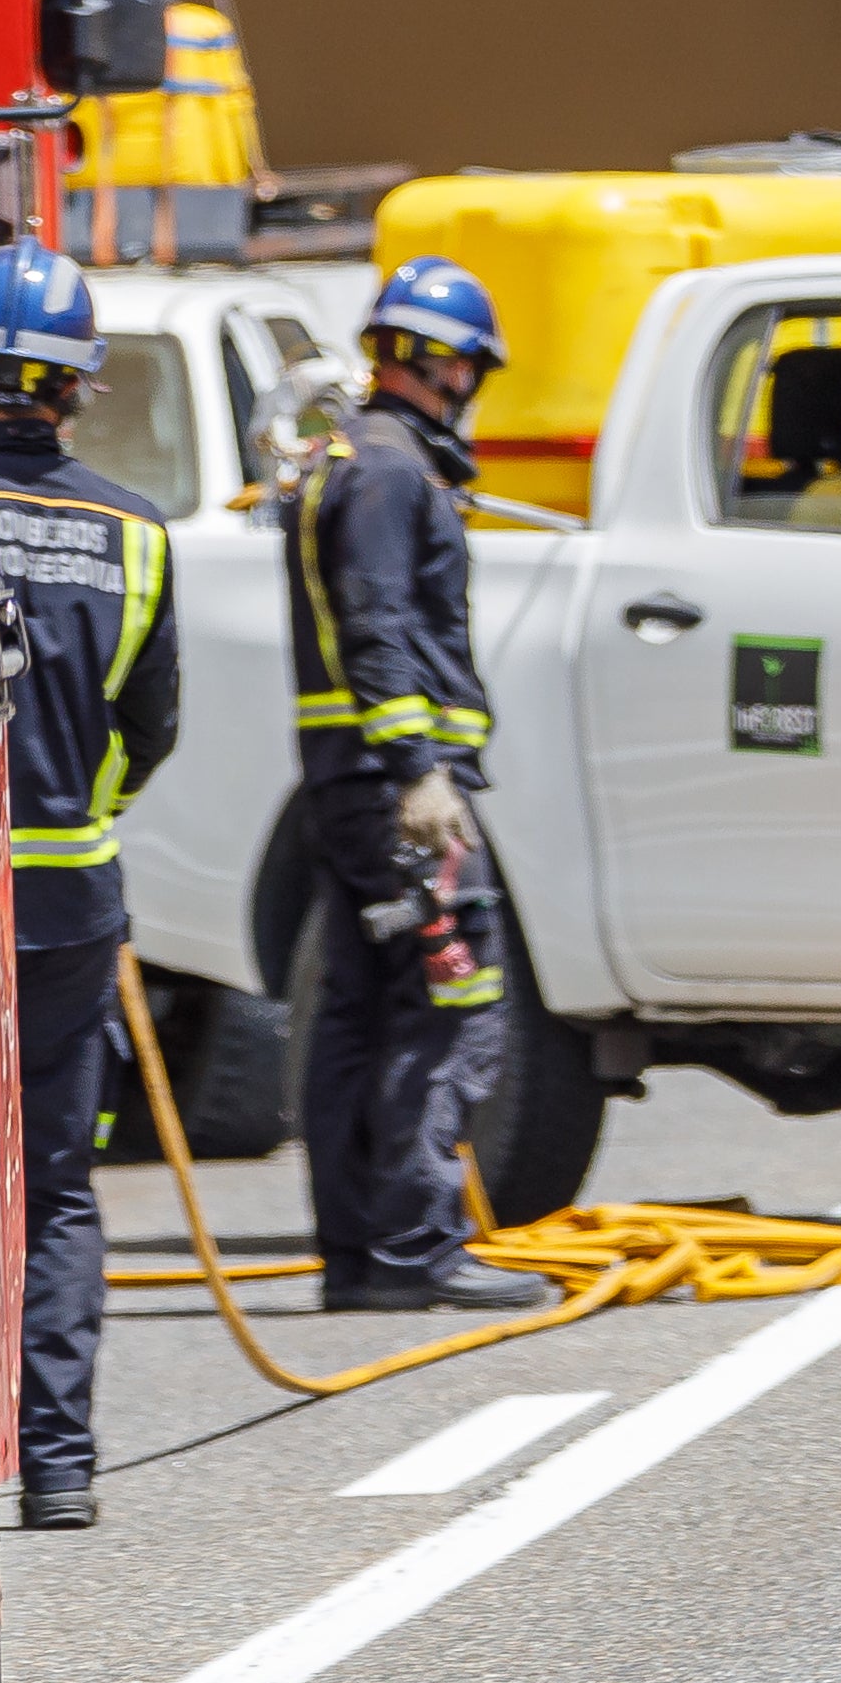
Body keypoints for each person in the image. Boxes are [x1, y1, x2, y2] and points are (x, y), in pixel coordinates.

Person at [289, 257, 539, 1312]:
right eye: (471, 365)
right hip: (396, 792)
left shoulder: (362, 457)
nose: (473, 385)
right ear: (440, 362)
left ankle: (359, 1257)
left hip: (354, 786)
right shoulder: (390, 471)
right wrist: (420, 773)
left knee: (359, 1010)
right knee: (447, 1002)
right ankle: (416, 1249)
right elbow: (377, 622)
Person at [0, 245, 178, 1525]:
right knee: (53, 1186)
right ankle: (56, 1468)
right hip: (67, 905)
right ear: (76, 390)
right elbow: (147, 731)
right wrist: (84, 818)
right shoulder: (134, 536)